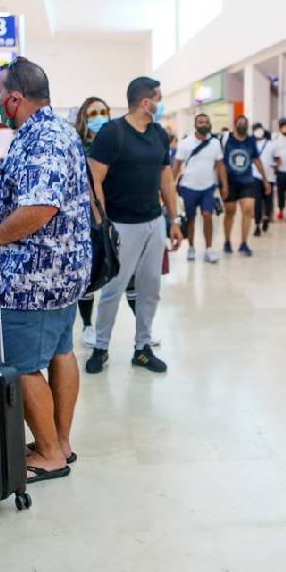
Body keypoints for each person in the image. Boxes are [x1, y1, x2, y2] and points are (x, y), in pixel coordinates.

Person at [0, 57, 91, 483]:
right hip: (62, 272)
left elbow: (39, 207)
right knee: (60, 351)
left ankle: (50, 454)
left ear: (15, 99)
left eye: (0, 94)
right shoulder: (58, 130)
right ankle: (60, 442)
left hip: (35, 278)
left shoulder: (42, 140)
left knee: (23, 365)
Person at [85, 77, 183, 374]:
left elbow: (166, 179)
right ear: (145, 102)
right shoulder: (112, 133)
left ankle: (142, 348)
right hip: (121, 226)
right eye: (159, 98)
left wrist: (174, 219)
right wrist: (103, 224)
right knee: (113, 290)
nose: (161, 103)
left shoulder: (159, 134)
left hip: (153, 222)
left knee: (150, 287)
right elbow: (94, 180)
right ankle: (101, 347)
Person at [72, 96, 140, 348]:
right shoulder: (76, 146)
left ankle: (142, 326)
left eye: (103, 112)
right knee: (91, 274)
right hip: (86, 220)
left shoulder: (118, 143)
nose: (99, 117)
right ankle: (87, 326)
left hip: (119, 215)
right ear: (83, 117)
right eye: (93, 113)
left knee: (129, 273)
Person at [172, 113, 229, 263]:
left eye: (206, 122)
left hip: (207, 187)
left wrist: (224, 185)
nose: (203, 124)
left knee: (207, 216)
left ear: (210, 124)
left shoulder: (215, 143)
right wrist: (170, 185)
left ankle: (209, 249)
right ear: (195, 125)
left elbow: (221, 165)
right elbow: (176, 165)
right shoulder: (185, 143)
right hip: (188, 187)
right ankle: (191, 247)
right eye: (200, 122)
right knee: (190, 219)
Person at [221, 115, 271, 256]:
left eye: (245, 123)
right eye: (240, 123)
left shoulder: (251, 141)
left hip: (247, 182)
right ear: (235, 124)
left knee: (248, 209)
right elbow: (220, 162)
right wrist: (223, 184)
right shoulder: (226, 139)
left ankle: (244, 243)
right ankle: (227, 241)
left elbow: (256, 160)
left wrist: (265, 180)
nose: (242, 125)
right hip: (230, 182)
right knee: (230, 212)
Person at [251, 122, 276, 236]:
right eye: (255, 129)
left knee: (268, 200)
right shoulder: (251, 144)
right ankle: (257, 225)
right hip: (255, 176)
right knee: (257, 201)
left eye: (258, 128)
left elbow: (277, 158)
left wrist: (276, 165)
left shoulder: (271, 144)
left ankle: (266, 218)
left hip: (270, 176)